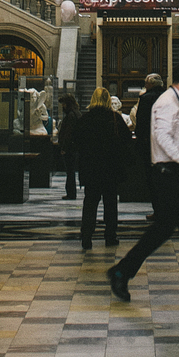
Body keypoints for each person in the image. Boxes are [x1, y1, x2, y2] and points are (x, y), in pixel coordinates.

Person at [107, 59, 179, 303]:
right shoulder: (166, 102)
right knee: (162, 229)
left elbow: (178, 137)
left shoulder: (177, 102)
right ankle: (121, 271)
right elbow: (161, 135)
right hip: (169, 177)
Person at [75, 86, 133, 249]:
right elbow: (126, 140)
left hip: (91, 168)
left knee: (90, 203)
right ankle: (110, 235)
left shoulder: (85, 119)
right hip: (110, 168)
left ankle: (86, 236)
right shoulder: (114, 118)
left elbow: (77, 141)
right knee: (110, 203)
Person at [132, 72, 164, 216]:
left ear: (151, 84)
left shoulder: (145, 99)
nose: (144, 85)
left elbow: (142, 122)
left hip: (150, 145)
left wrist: (140, 139)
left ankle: (158, 210)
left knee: (152, 179)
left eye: (146, 82)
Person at [57, 92, 80, 200]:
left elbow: (68, 133)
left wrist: (64, 148)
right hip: (73, 147)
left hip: (70, 149)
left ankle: (71, 193)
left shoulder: (71, 116)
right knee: (70, 172)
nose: (63, 106)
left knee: (70, 172)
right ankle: (71, 192)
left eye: (64, 104)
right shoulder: (75, 113)